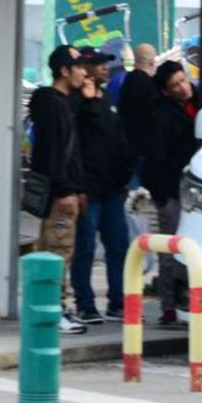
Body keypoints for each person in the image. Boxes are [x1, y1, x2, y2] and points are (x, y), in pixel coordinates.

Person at [71, 50, 135, 323]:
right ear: (85, 68)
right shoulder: (77, 103)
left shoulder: (107, 98)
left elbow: (117, 139)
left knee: (119, 245)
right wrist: (78, 187)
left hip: (112, 189)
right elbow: (78, 143)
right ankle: (85, 304)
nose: (106, 68)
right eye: (99, 64)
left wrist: (124, 177)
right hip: (89, 188)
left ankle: (118, 302)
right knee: (84, 248)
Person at [28, 45, 88, 335]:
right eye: (78, 67)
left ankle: (56, 309)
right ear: (64, 71)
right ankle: (55, 311)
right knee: (57, 252)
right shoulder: (53, 105)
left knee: (58, 250)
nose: (83, 72)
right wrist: (66, 190)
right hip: (59, 196)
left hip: (66, 192)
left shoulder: (62, 103)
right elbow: (54, 154)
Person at [144, 60, 201, 327]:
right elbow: (156, 157)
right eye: (175, 85)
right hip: (172, 191)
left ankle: (184, 299)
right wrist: (162, 195)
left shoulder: (199, 104)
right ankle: (169, 305)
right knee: (169, 248)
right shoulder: (161, 117)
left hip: (194, 189)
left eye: (183, 80)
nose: (183, 87)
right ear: (166, 91)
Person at [118, 43, 158, 187]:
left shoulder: (127, 82)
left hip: (128, 146)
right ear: (152, 62)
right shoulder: (149, 85)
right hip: (142, 149)